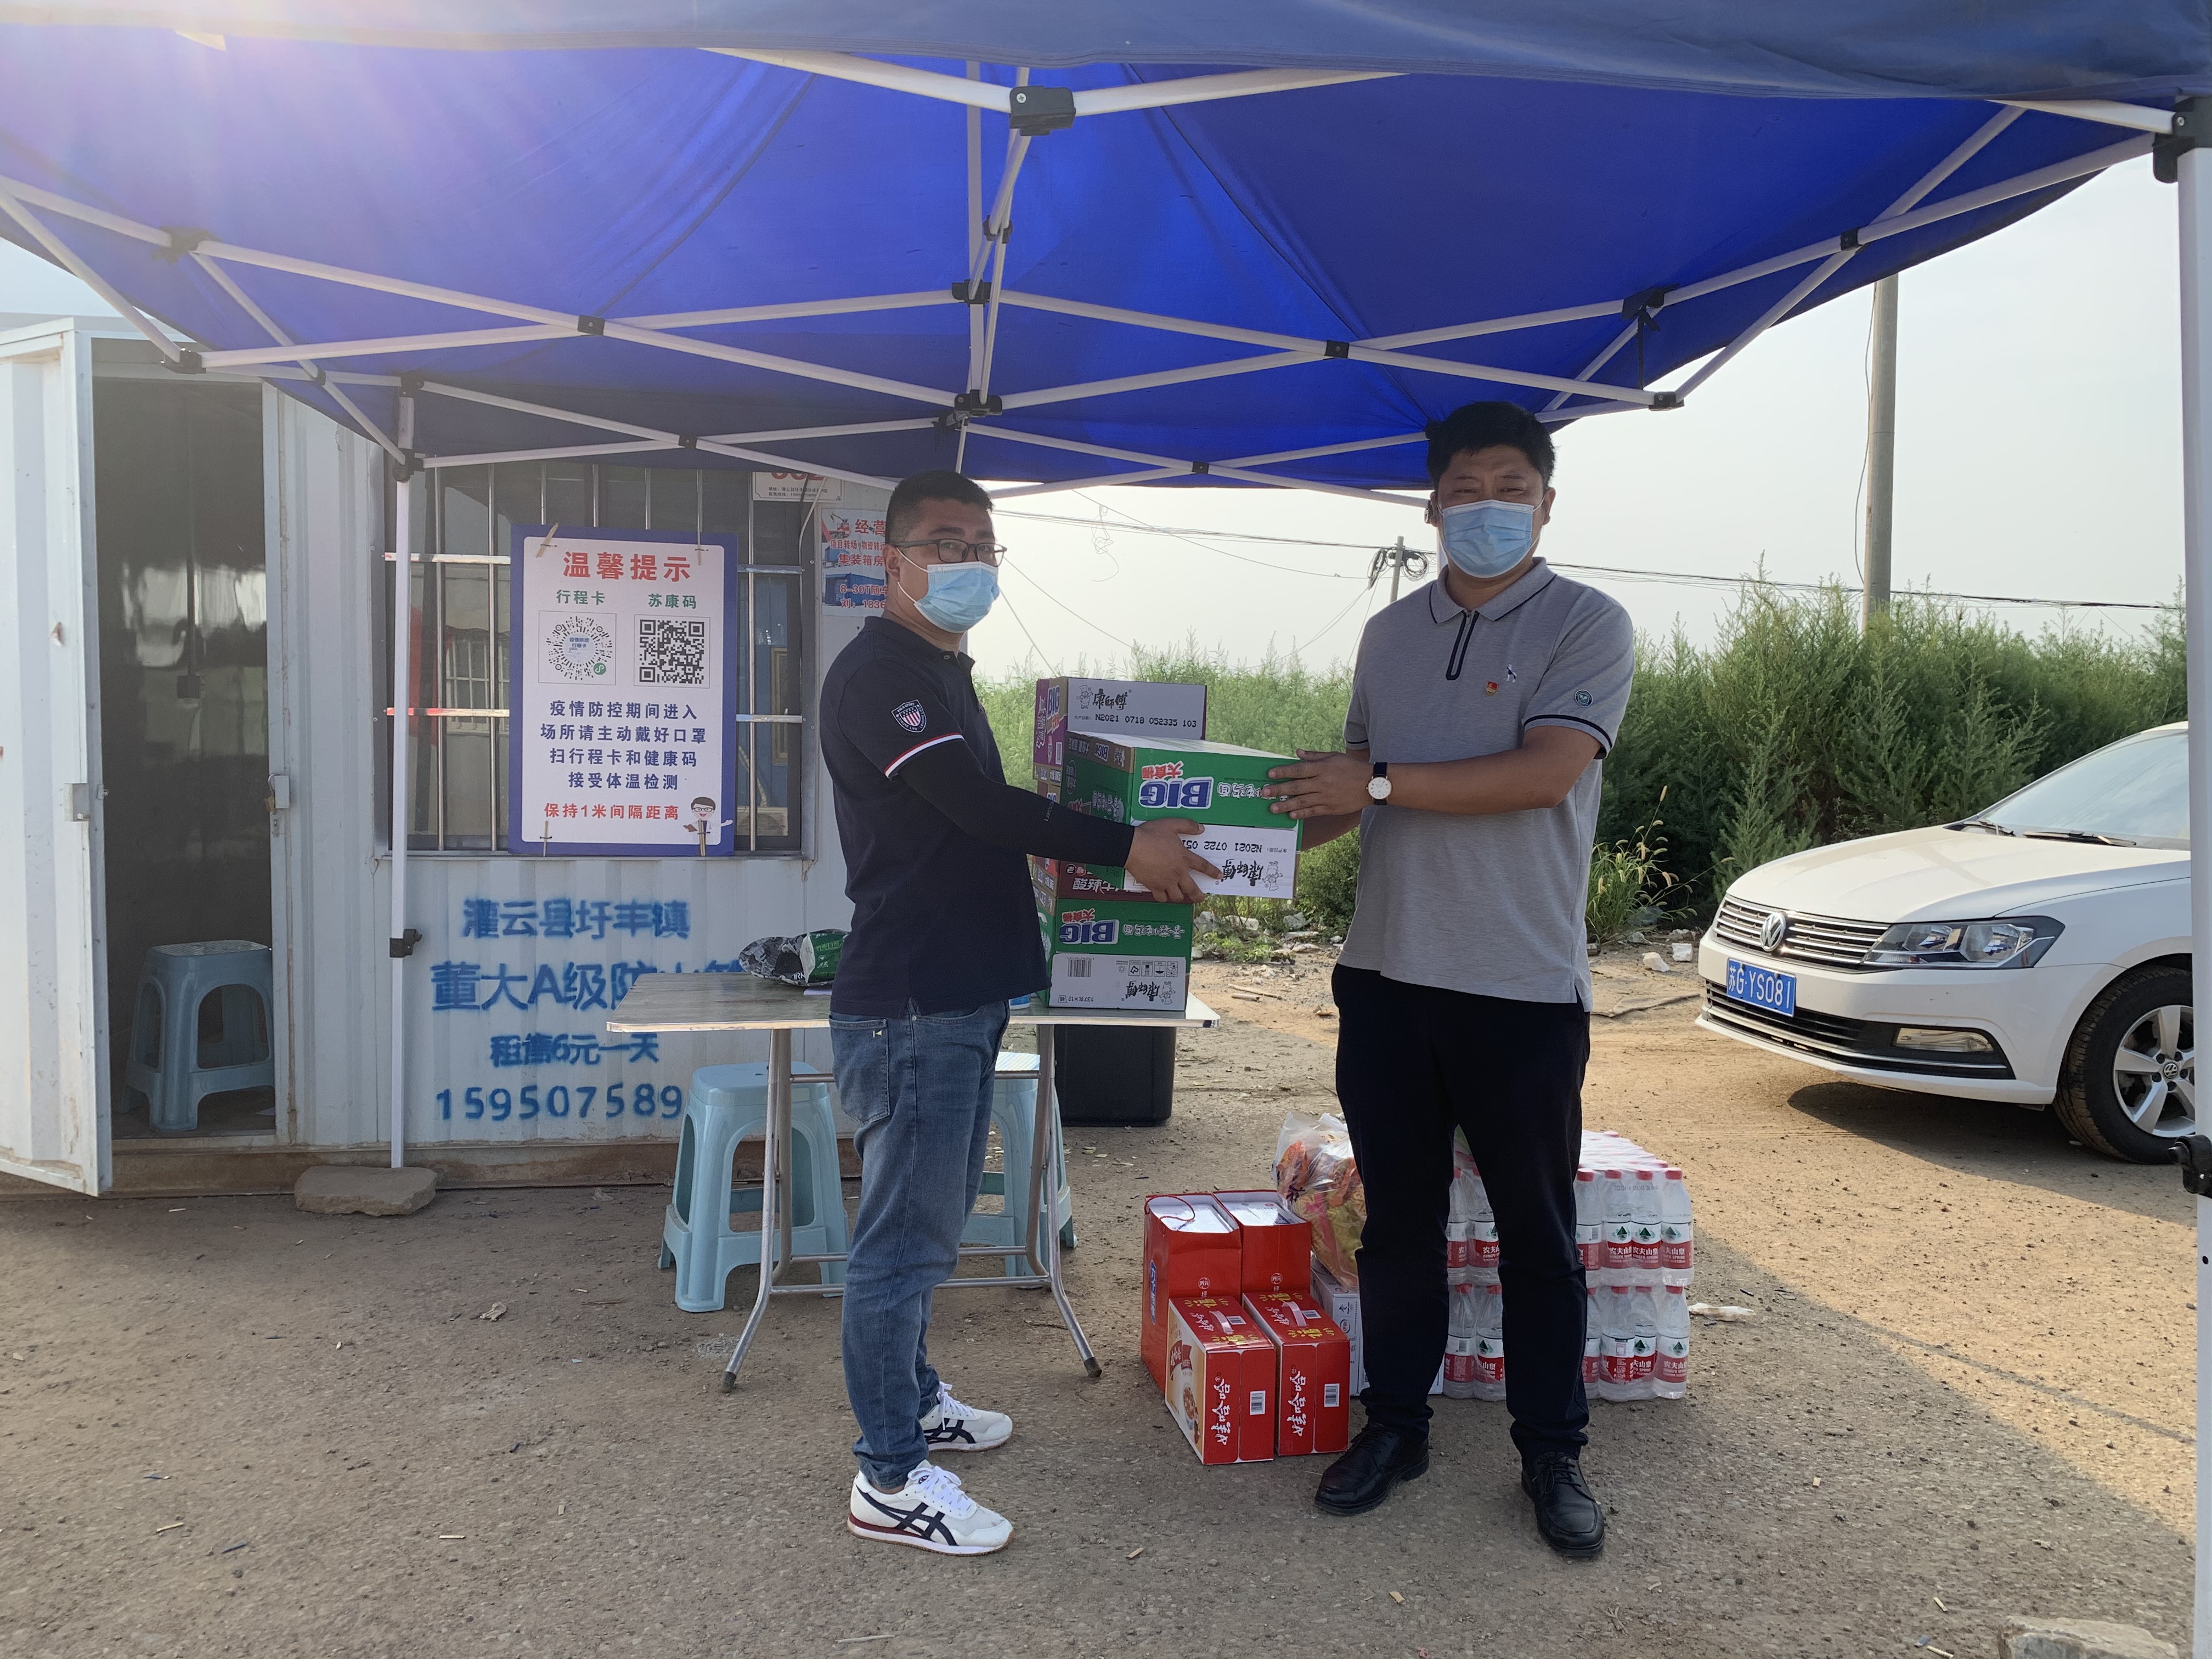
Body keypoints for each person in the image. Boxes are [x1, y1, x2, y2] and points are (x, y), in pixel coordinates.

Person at [819, 469, 1217, 1556]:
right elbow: (980, 810)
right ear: (893, 561)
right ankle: (889, 1477)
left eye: (984, 546)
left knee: (934, 1221)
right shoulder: (880, 675)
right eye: (945, 543)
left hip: (962, 992)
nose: (969, 563)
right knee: (900, 1247)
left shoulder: (941, 671)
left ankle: (915, 1399)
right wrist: (1127, 845)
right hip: (914, 999)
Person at [1261, 402, 1634, 1557]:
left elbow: (1544, 772)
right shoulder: (1388, 636)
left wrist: (1373, 784)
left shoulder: (1588, 622)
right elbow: (1351, 789)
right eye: (1466, 488)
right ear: (1432, 506)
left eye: (1511, 486)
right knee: (1398, 1229)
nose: (1487, 507)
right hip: (1386, 976)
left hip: (1519, 986)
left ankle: (1552, 1452)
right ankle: (1397, 1427)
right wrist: (1230, 844)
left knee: (1538, 1234)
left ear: (1547, 503)